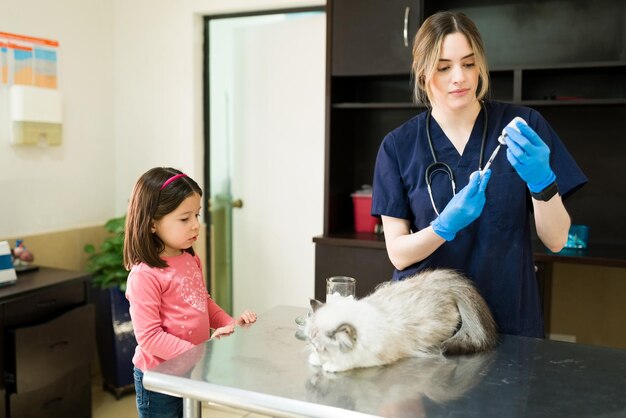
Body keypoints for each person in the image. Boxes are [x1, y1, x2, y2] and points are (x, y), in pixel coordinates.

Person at [371, 11, 587, 338]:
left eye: (469, 64)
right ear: (422, 72)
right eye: (444, 67)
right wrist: (444, 227)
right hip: (430, 325)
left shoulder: (524, 128)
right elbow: (399, 254)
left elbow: (556, 241)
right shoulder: (398, 146)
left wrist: (543, 183)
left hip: (508, 321)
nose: (460, 77)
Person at [124, 167, 257, 418]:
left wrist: (231, 325)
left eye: (196, 215)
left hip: (189, 370)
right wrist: (201, 352)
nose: (196, 225)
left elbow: (202, 302)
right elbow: (150, 337)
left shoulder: (189, 259)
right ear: (152, 223)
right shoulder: (145, 275)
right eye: (185, 219)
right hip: (159, 380)